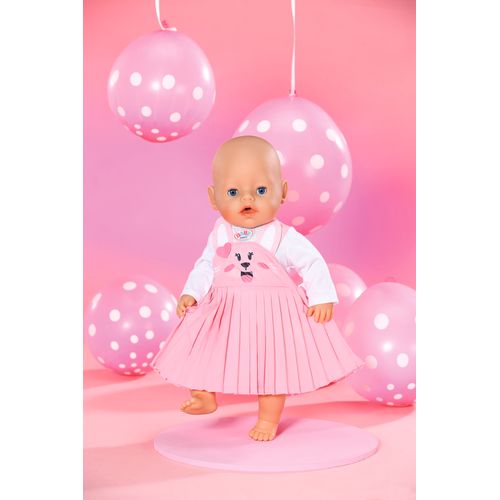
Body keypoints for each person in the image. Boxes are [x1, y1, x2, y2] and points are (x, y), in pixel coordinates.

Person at [151, 135, 364, 442]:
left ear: (282, 192)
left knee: (272, 367)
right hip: (227, 310)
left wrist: (321, 297)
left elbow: (312, 263)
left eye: (261, 190)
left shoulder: (283, 236)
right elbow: (206, 265)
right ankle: (203, 395)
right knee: (199, 345)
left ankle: (267, 418)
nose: (247, 199)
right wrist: (192, 293)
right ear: (214, 198)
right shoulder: (220, 232)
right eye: (233, 192)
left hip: (272, 315)